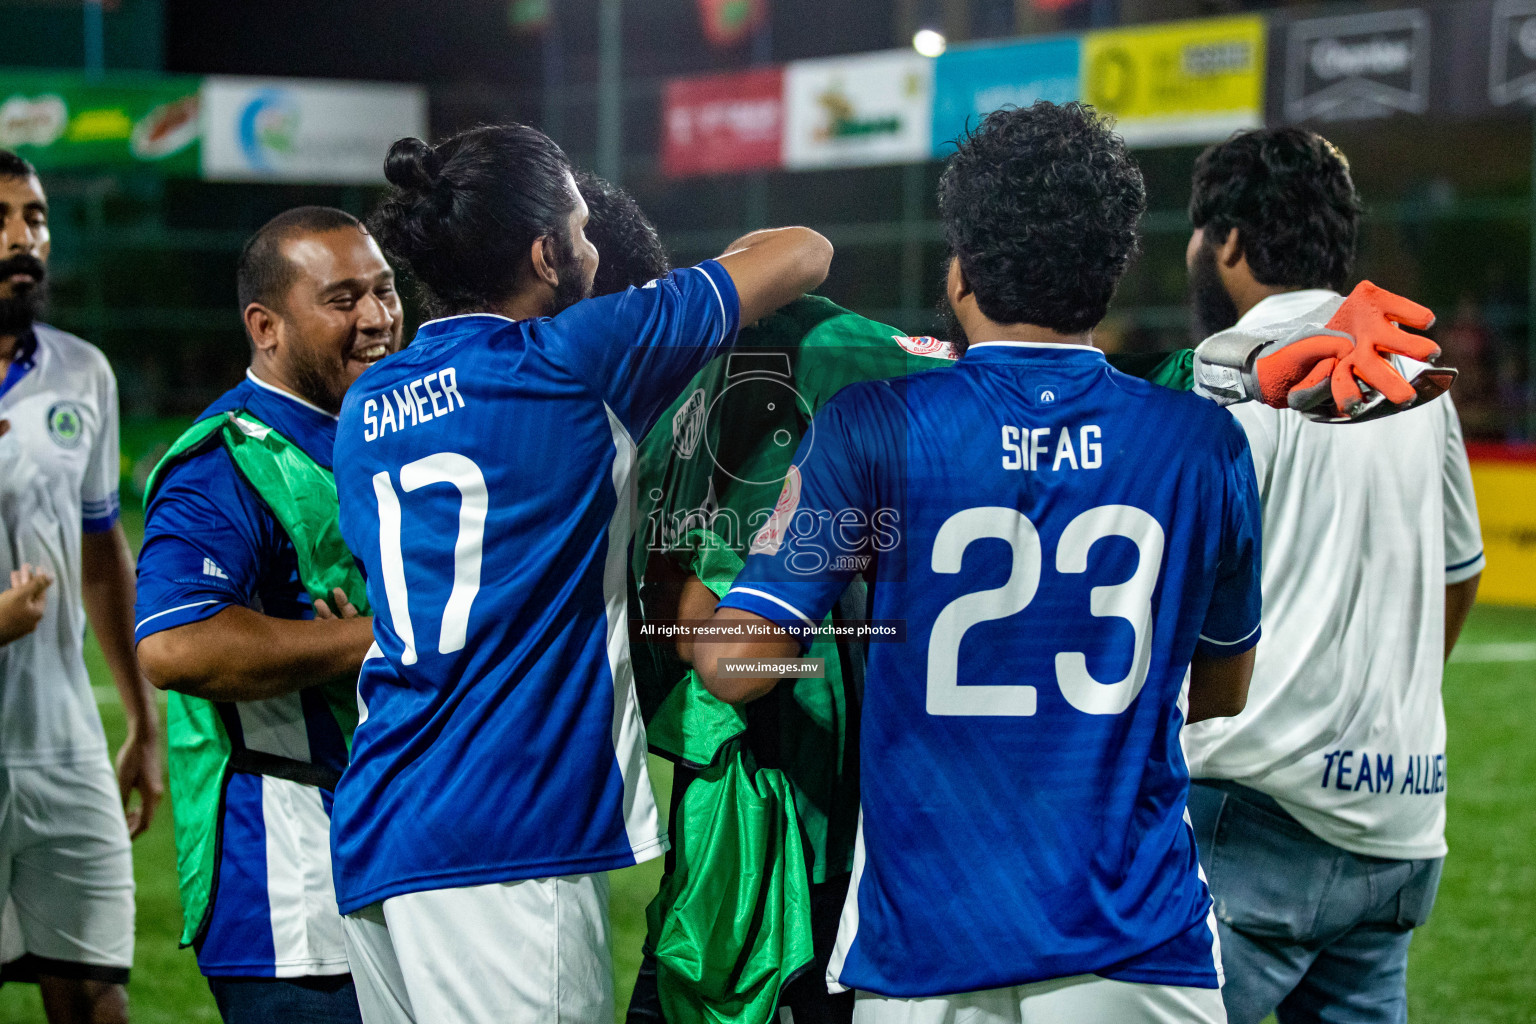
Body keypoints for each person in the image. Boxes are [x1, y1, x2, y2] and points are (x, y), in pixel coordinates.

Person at [681, 100, 1261, 1024]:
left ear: (963, 271)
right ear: (1109, 270)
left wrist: (707, 594)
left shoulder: (871, 429)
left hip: (929, 946)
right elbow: (1222, 693)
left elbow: (732, 664)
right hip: (1139, 940)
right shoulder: (1204, 444)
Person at [328, 123, 831, 1024]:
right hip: (505, 835)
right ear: (548, 253)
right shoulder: (578, 356)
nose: (596, 245)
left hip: (379, 820)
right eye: (582, 226)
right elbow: (804, 252)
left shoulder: (368, 400)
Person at [1179, 127, 1484, 1024]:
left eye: (1200, 234)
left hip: (1254, 814)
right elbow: (1458, 571)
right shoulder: (1412, 365)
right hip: (1400, 821)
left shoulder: (1230, 374)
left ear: (1228, 241)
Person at [133, 206, 400, 1023]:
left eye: (386, 291)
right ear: (266, 326)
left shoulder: (387, 431)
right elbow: (176, 646)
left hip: (392, 851)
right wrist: (377, 636)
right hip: (292, 894)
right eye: (344, 299)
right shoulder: (226, 461)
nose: (379, 318)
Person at [0, 149, 162, 1024]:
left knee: (98, 994)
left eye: (34, 217)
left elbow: (103, 557)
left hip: (64, 748)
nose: (22, 239)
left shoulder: (82, 373)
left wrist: (141, 718)